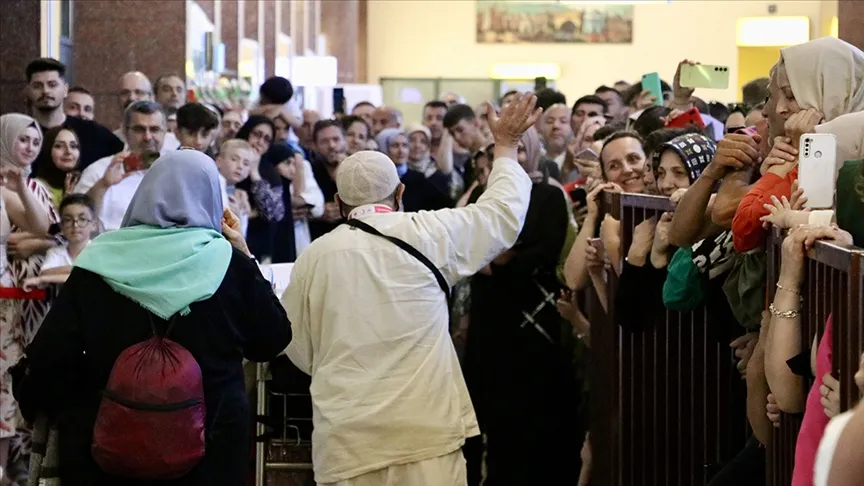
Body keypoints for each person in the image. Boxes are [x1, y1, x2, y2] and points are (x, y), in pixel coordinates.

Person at [281, 93, 541, 485]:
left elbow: (296, 344)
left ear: (339, 201)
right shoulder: (430, 232)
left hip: (349, 439)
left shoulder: (316, 256)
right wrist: (506, 146)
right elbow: (501, 216)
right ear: (400, 193)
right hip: (425, 429)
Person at [11, 149, 293, 484]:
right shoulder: (230, 265)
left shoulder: (98, 260)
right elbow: (273, 339)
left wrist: (33, 405)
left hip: (107, 451)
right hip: (210, 451)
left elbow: (50, 356)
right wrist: (245, 254)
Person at [25, 58, 123, 173]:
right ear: (28, 91)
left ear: (65, 89)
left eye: (52, 85)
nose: (45, 91)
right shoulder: (19, 133)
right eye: (37, 86)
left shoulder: (92, 133)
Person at [23, 194, 97, 290]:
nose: (75, 225)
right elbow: (45, 274)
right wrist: (82, 269)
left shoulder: (98, 251)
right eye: (68, 220)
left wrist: (48, 277)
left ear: (94, 225)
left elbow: (93, 277)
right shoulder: (55, 252)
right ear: (61, 226)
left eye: (82, 219)